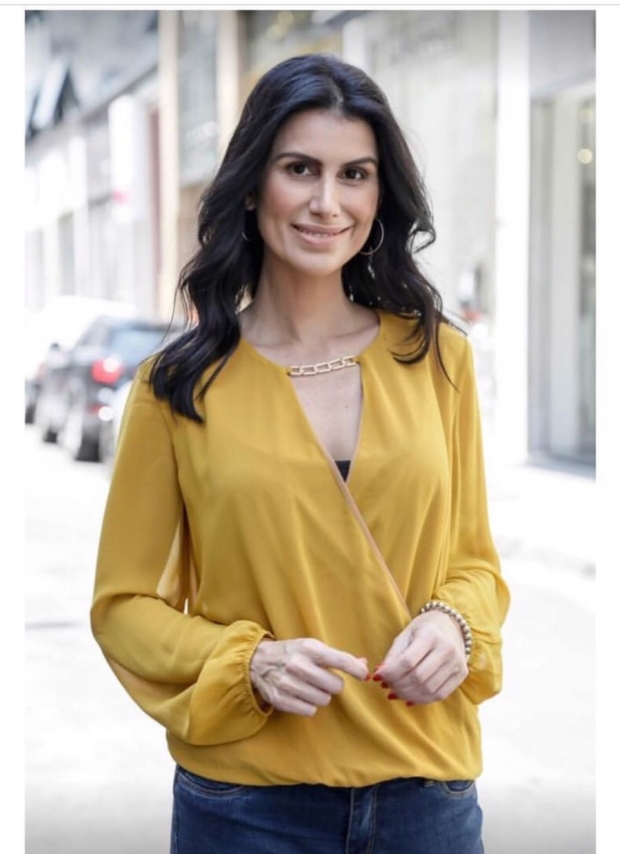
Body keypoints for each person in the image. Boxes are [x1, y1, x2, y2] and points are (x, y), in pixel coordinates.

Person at [91, 53, 510, 854]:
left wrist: (455, 624)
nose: (327, 202)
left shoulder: (438, 357)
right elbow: (123, 607)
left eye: (355, 174)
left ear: (379, 196)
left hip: (426, 794)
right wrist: (247, 661)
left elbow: (476, 566)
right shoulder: (177, 385)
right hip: (245, 806)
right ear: (253, 187)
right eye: (299, 169)